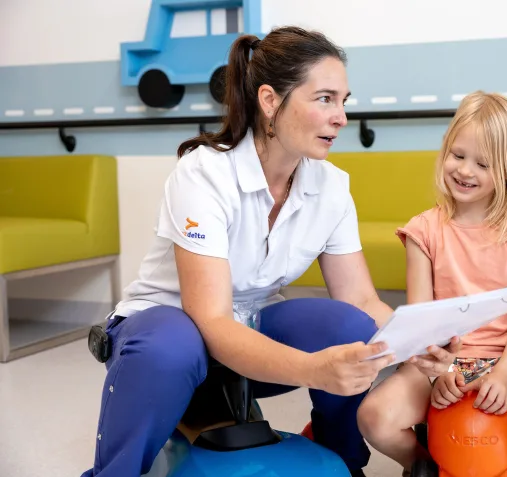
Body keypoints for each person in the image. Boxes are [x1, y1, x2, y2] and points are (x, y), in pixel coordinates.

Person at [80, 26, 458, 477]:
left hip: (248, 328)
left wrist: (418, 344)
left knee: (350, 327)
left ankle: (344, 461)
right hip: (166, 332)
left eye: (344, 101)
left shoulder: (332, 186)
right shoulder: (203, 174)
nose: (341, 117)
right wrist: (313, 370)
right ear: (269, 101)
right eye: (324, 99)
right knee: (172, 346)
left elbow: (360, 300)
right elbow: (211, 320)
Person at [356, 91, 507, 477]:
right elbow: (422, 321)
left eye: (483, 163)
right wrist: (439, 373)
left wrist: (502, 376)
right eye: (458, 155)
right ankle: (425, 465)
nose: (465, 170)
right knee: (372, 416)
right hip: (438, 362)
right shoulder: (423, 231)